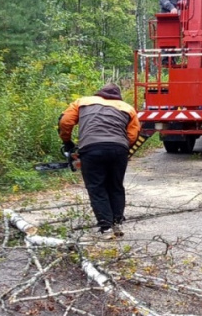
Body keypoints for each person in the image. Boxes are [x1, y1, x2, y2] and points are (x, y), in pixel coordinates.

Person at [58, 83, 141, 240]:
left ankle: (106, 228)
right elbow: (133, 134)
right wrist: (122, 147)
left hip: (91, 148)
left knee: (96, 187)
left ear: (99, 93)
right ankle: (117, 222)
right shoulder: (127, 108)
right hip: (118, 149)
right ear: (118, 96)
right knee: (115, 185)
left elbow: (65, 122)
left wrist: (67, 141)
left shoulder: (82, 102)